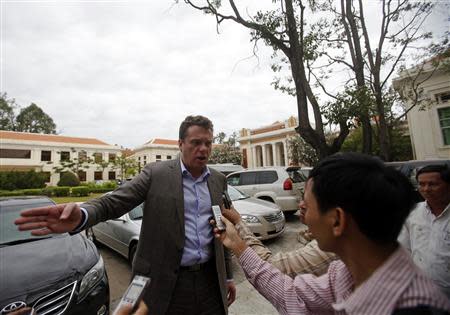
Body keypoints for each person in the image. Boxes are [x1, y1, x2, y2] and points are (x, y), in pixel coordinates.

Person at [15, 115, 236, 315]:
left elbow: (223, 230)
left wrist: (227, 276)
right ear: (180, 144)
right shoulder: (156, 174)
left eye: (208, 143)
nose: (203, 149)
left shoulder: (217, 180)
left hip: (210, 282)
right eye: (196, 143)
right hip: (166, 284)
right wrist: (83, 215)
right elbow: (114, 202)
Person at [215, 153, 450, 314]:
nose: (300, 213)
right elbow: (291, 294)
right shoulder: (343, 273)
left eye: (306, 205)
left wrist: (239, 242)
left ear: (337, 220)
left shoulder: (415, 306)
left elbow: (280, 272)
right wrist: (237, 244)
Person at [222, 202, 336, 277]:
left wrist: (238, 225)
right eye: (302, 197)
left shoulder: (329, 247)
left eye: (309, 199)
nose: (301, 204)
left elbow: (269, 268)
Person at [398, 164, 450, 299]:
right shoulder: (413, 212)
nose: (426, 189)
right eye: (421, 184)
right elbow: (404, 250)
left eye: (433, 184)